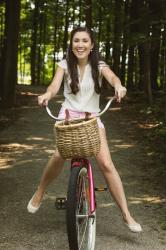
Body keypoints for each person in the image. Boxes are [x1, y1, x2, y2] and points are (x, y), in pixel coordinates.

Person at [27, 26, 142, 233]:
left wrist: (119, 86)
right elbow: (54, 87)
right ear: (71, 45)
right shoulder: (64, 65)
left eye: (84, 41)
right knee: (58, 155)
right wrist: (46, 95)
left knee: (106, 163)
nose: (80, 44)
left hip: (91, 119)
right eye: (76, 41)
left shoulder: (98, 64)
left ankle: (126, 214)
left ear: (92, 45)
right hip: (69, 117)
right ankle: (40, 192)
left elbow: (113, 78)